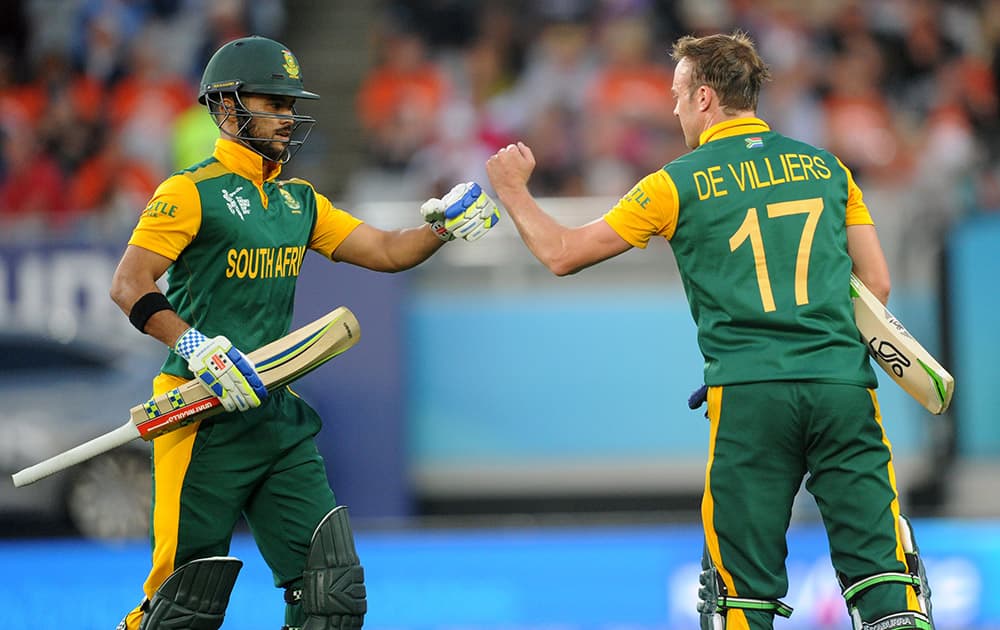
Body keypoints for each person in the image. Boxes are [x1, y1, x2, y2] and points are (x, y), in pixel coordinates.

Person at [486, 31, 934, 630]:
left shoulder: (676, 182)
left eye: (675, 94)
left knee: (739, 600)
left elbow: (563, 253)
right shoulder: (829, 169)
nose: (671, 108)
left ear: (703, 98)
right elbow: (875, 284)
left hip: (750, 397)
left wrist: (513, 191)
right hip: (841, 387)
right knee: (885, 580)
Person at [110, 35, 500, 630]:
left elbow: (388, 250)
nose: (288, 117)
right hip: (201, 415)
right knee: (181, 610)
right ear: (226, 107)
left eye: (291, 105)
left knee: (331, 594)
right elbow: (129, 283)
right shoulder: (189, 192)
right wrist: (197, 348)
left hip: (273, 412)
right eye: (273, 102)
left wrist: (442, 226)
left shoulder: (300, 201)